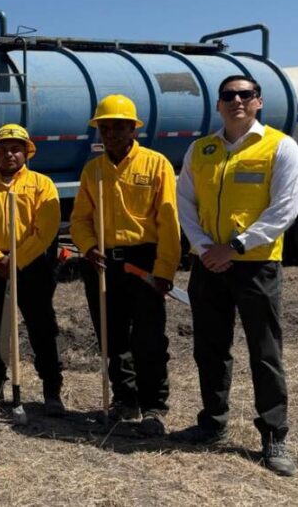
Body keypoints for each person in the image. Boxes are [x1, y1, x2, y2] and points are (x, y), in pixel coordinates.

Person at [174, 75, 298, 476]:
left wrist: (235, 247)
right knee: (209, 349)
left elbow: (284, 209)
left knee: (264, 352)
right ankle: (212, 424)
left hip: (256, 265)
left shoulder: (280, 146)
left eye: (245, 95)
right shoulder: (202, 149)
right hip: (208, 265)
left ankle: (274, 436)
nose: (237, 101)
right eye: (228, 96)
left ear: (258, 102)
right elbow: (185, 204)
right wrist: (203, 249)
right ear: (218, 105)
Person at [70, 95, 180, 435]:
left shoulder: (156, 164)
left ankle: (153, 406)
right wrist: (88, 248)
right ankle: (125, 400)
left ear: (134, 129)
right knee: (112, 337)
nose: (111, 133)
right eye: (105, 127)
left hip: (144, 261)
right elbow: (79, 221)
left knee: (149, 338)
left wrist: (164, 271)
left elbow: (169, 223)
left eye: (119, 126)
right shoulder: (94, 170)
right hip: (104, 263)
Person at [0, 124, 65, 414]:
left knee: (42, 327)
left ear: (26, 152)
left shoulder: (41, 185)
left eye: (15, 149)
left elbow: (45, 229)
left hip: (32, 266)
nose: (9, 154)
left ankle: (51, 391)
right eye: (3, 149)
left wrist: (17, 260)